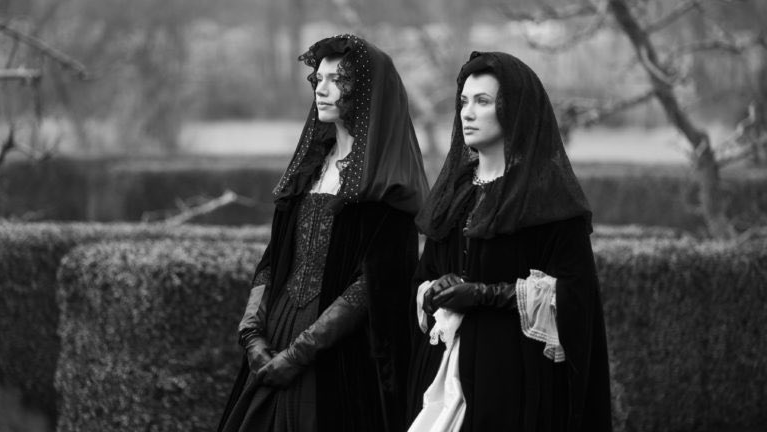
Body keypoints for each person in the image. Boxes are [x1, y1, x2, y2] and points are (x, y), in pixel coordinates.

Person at [218, 34, 429, 432]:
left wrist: (299, 353)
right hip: (275, 333)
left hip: (340, 355)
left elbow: (373, 284)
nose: (322, 88)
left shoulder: (386, 185)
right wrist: (252, 335)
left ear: (367, 92)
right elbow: (273, 260)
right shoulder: (309, 171)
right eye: (319, 78)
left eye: (338, 80)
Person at [407, 51, 612, 432]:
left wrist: (484, 295)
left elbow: (573, 294)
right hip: (444, 370)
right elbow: (424, 274)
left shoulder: (547, 199)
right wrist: (435, 288)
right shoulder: (456, 192)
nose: (467, 113)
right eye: (464, 102)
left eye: (482, 101)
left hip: (514, 379)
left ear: (514, 109)